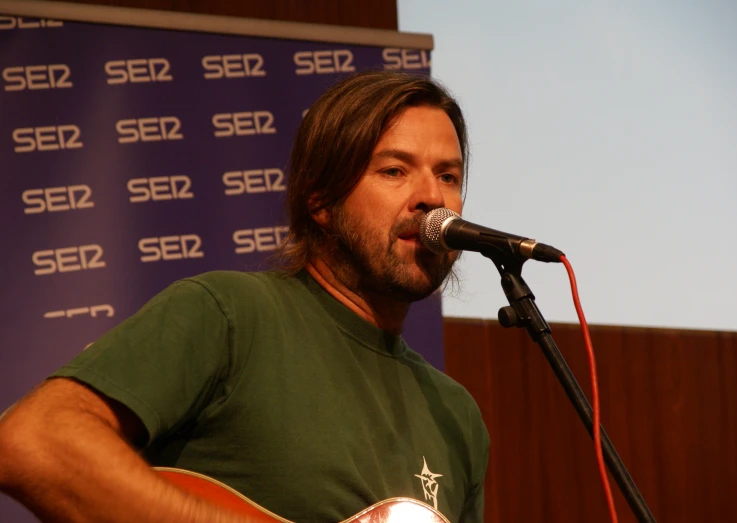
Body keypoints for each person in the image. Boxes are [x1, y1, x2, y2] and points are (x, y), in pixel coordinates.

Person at [0, 71, 489, 523]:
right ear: (319, 199)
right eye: (393, 170)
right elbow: (34, 441)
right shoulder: (228, 314)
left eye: (448, 176)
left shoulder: (455, 415)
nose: (433, 198)